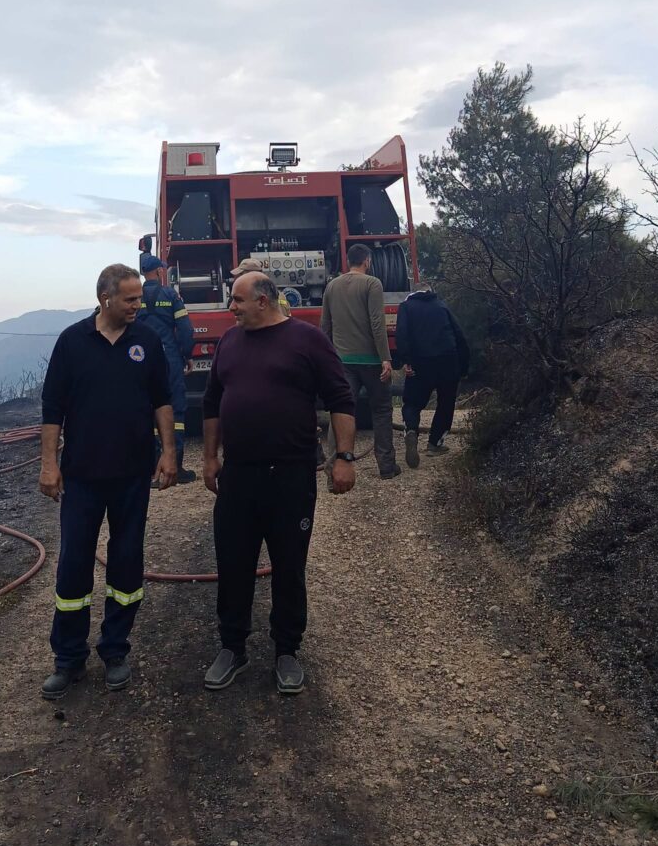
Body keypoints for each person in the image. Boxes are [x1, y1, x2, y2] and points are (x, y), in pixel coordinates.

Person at [201, 271, 357, 695]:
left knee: (289, 566)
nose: (230, 307)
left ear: (264, 301)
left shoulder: (307, 341)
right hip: (239, 477)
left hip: (290, 476)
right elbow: (212, 402)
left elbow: (341, 398)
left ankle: (287, 651)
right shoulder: (229, 343)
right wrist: (211, 457)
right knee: (233, 564)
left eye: (237, 299)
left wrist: (343, 458)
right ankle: (232, 648)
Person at [38, 264, 178, 700]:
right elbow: (51, 408)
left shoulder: (147, 341)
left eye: (139, 297)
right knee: (74, 566)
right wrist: (48, 464)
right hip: (81, 476)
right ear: (105, 298)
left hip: (132, 476)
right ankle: (69, 659)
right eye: (131, 299)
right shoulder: (72, 342)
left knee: (126, 564)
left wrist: (170, 453)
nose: (139, 305)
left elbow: (162, 400)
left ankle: (115, 650)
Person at [320, 243, 400, 479]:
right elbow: (378, 323)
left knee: (341, 411)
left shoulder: (331, 286)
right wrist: (385, 358)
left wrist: (326, 358)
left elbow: (325, 326)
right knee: (382, 411)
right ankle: (386, 466)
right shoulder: (372, 284)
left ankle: (334, 465)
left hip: (342, 361)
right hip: (372, 362)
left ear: (348, 261)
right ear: (367, 261)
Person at [394, 287, 470, 469]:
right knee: (446, 402)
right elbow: (460, 336)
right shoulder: (441, 305)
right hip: (448, 360)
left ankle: (411, 430)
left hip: (420, 362)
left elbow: (401, 334)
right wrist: (463, 367)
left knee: (412, 402)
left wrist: (406, 360)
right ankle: (435, 443)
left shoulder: (406, 307)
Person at [137, 255, 196, 484]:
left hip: (141, 360)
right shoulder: (170, 295)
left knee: (147, 411)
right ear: (160, 272)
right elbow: (185, 329)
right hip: (168, 358)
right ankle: (176, 467)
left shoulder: (135, 296)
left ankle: (152, 468)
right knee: (176, 410)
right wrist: (187, 355)